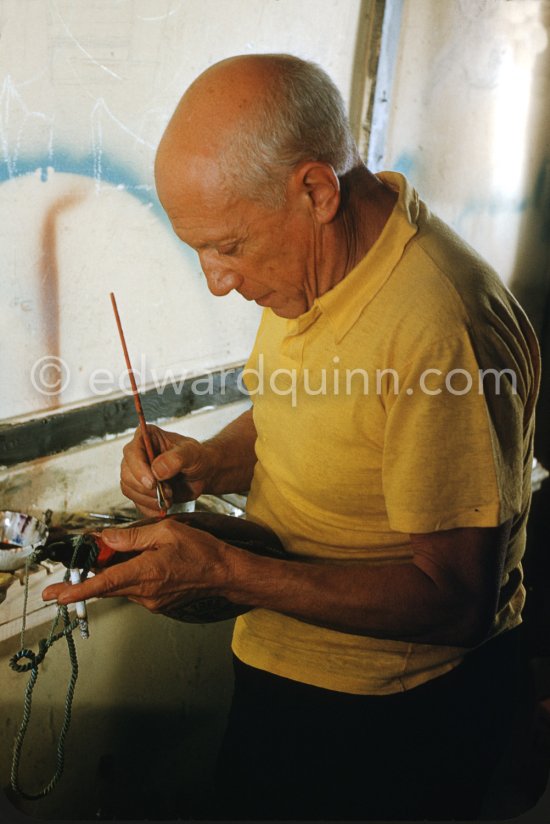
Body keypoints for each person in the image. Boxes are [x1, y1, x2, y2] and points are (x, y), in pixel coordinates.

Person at [43, 54, 541, 820]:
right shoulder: (321, 265)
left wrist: (229, 573)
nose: (216, 280)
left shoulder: (442, 329)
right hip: (284, 665)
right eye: (200, 250)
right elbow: (311, 406)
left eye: (227, 247)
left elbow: (457, 602)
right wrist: (208, 463)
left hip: (394, 717)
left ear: (315, 188)